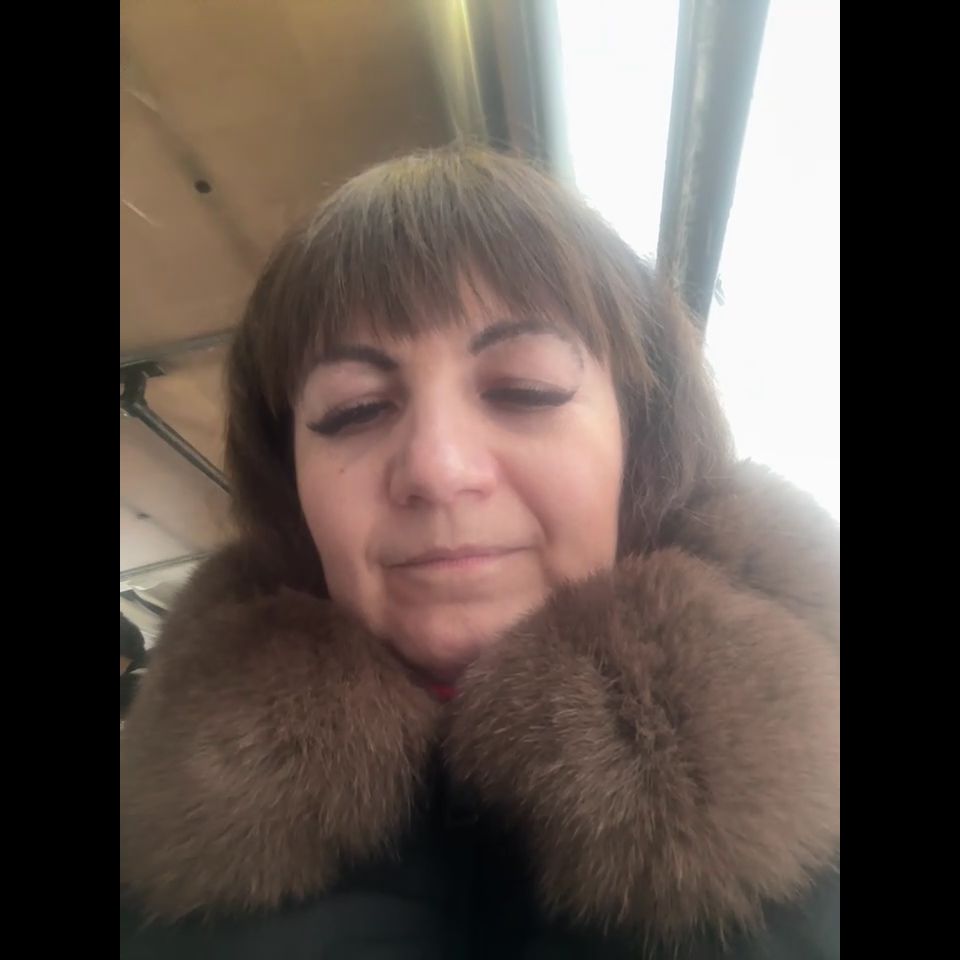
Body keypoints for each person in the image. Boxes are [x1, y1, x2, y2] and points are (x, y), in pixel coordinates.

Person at [119, 145, 840, 959]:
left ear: (642, 442)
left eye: (524, 389)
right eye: (355, 410)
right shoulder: (150, 873)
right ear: (290, 484)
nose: (438, 469)